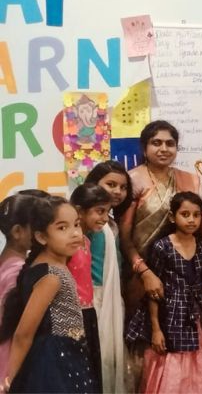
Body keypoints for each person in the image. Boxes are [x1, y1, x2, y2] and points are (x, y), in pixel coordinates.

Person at [119, 120, 200, 390]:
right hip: (139, 277)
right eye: (156, 143)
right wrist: (144, 272)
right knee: (141, 344)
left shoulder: (189, 180)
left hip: (179, 278)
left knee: (174, 344)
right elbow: (124, 237)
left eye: (170, 143)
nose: (164, 149)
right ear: (144, 148)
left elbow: (194, 227)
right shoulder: (133, 180)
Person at [0, 196, 100, 392]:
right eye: (62, 228)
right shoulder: (52, 276)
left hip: (67, 355)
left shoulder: (50, 266)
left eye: (76, 224)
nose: (75, 233)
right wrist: (10, 380)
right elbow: (23, 334)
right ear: (41, 237)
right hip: (54, 363)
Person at [125, 192, 202, 393]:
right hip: (170, 317)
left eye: (196, 215)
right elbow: (153, 292)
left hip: (197, 317)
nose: (191, 220)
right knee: (172, 365)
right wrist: (156, 329)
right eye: (185, 214)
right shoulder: (162, 247)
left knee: (198, 365)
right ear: (172, 217)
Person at [84, 160, 131, 392]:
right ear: (94, 183)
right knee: (97, 357)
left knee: (110, 358)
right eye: (111, 184)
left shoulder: (110, 223)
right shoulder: (88, 223)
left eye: (123, 187)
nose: (118, 191)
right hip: (93, 298)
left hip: (111, 297)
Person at [69, 183, 113, 388]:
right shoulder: (67, 244)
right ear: (79, 211)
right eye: (100, 211)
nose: (105, 218)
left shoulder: (86, 241)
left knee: (91, 371)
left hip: (88, 312)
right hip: (70, 314)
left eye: (107, 212)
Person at [0, 194, 41, 380]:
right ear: (17, 231)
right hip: (9, 359)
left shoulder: (6, 263)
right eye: (37, 227)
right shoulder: (17, 271)